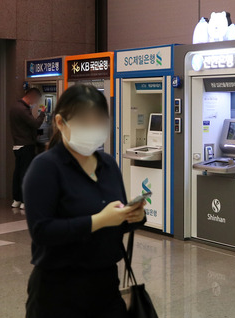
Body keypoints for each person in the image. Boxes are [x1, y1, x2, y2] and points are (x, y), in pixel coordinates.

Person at [23, 85, 146, 318]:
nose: (93, 129)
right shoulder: (45, 168)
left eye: (99, 122)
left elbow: (117, 218)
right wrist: (98, 220)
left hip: (106, 286)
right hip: (58, 291)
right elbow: (41, 231)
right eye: (84, 123)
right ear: (60, 122)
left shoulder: (108, 164)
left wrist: (133, 217)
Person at [10, 87, 45, 209]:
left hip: (17, 145)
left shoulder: (15, 107)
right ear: (31, 96)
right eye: (36, 99)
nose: (35, 102)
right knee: (25, 173)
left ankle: (17, 199)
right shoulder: (23, 109)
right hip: (26, 145)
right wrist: (42, 113)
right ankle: (25, 201)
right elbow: (35, 124)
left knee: (18, 173)